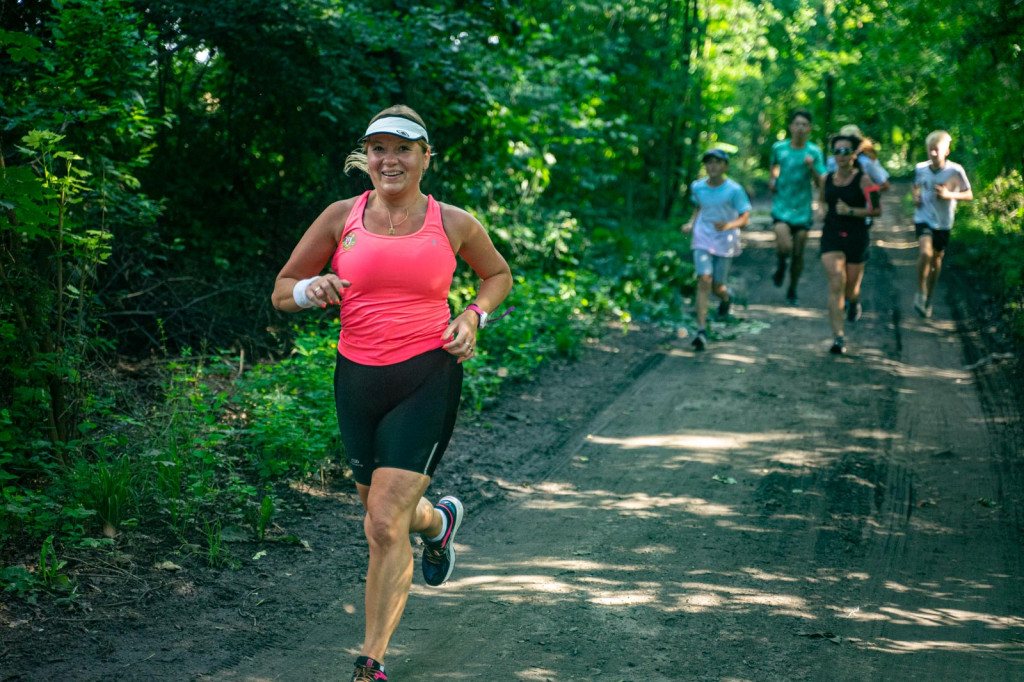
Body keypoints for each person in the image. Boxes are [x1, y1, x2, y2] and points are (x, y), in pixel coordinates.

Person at [271, 105, 513, 682]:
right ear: (367, 157)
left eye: (403, 148)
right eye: (379, 148)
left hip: (427, 373)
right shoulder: (339, 218)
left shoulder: (452, 222)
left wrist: (474, 315)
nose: (390, 159)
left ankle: (371, 662)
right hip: (357, 378)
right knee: (390, 516)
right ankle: (437, 525)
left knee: (381, 524)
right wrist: (312, 288)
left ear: (426, 157)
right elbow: (282, 290)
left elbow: (497, 275)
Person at [682, 149, 752, 351]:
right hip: (702, 237)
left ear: (725, 166)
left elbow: (745, 217)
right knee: (704, 280)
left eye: (717, 162)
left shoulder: (734, 190)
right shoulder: (697, 187)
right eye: (709, 162)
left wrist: (729, 225)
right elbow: (699, 208)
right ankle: (701, 330)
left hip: (725, 240)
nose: (712, 166)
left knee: (717, 286)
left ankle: (726, 297)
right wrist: (690, 224)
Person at [819, 132, 882, 354]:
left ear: (854, 155)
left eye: (846, 151)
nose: (841, 155)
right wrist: (819, 211)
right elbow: (820, 202)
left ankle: (854, 302)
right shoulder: (826, 179)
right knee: (836, 281)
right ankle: (838, 337)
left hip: (857, 236)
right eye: (837, 151)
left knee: (850, 289)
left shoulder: (865, 180)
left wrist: (851, 211)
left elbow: (877, 210)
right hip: (832, 235)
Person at [768, 109, 827, 305]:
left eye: (804, 125)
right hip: (782, 207)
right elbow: (774, 166)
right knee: (785, 246)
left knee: (798, 253)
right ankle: (780, 266)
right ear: (790, 127)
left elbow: (822, 182)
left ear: (809, 129)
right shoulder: (779, 148)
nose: (800, 128)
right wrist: (773, 180)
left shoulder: (814, 152)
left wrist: (811, 168)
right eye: (797, 124)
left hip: (802, 210)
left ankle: (792, 289)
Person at [911, 130, 972, 318]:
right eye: (930, 150)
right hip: (923, 218)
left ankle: (929, 298)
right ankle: (920, 292)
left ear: (947, 151)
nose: (933, 154)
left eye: (937, 150)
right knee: (924, 252)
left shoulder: (955, 170)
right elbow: (914, 185)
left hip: (943, 222)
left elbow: (968, 194)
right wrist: (915, 197)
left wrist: (949, 195)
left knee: (937, 261)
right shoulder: (920, 168)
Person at [825, 124, 891, 192]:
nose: (842, 154)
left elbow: (884, 185)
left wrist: (865, 191)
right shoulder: (832, 162)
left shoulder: (867, 161)